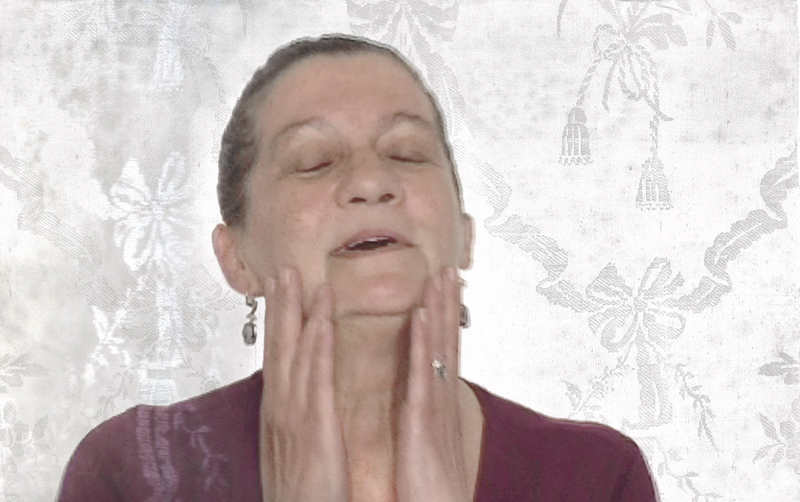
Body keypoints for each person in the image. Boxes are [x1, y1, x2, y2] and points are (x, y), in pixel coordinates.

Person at [57, 33, 658, 501]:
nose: (372, 181)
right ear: (236, 258)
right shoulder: (137, 473)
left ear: (464, 235)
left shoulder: (596, 477)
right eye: (314, 161)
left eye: (408, 153)